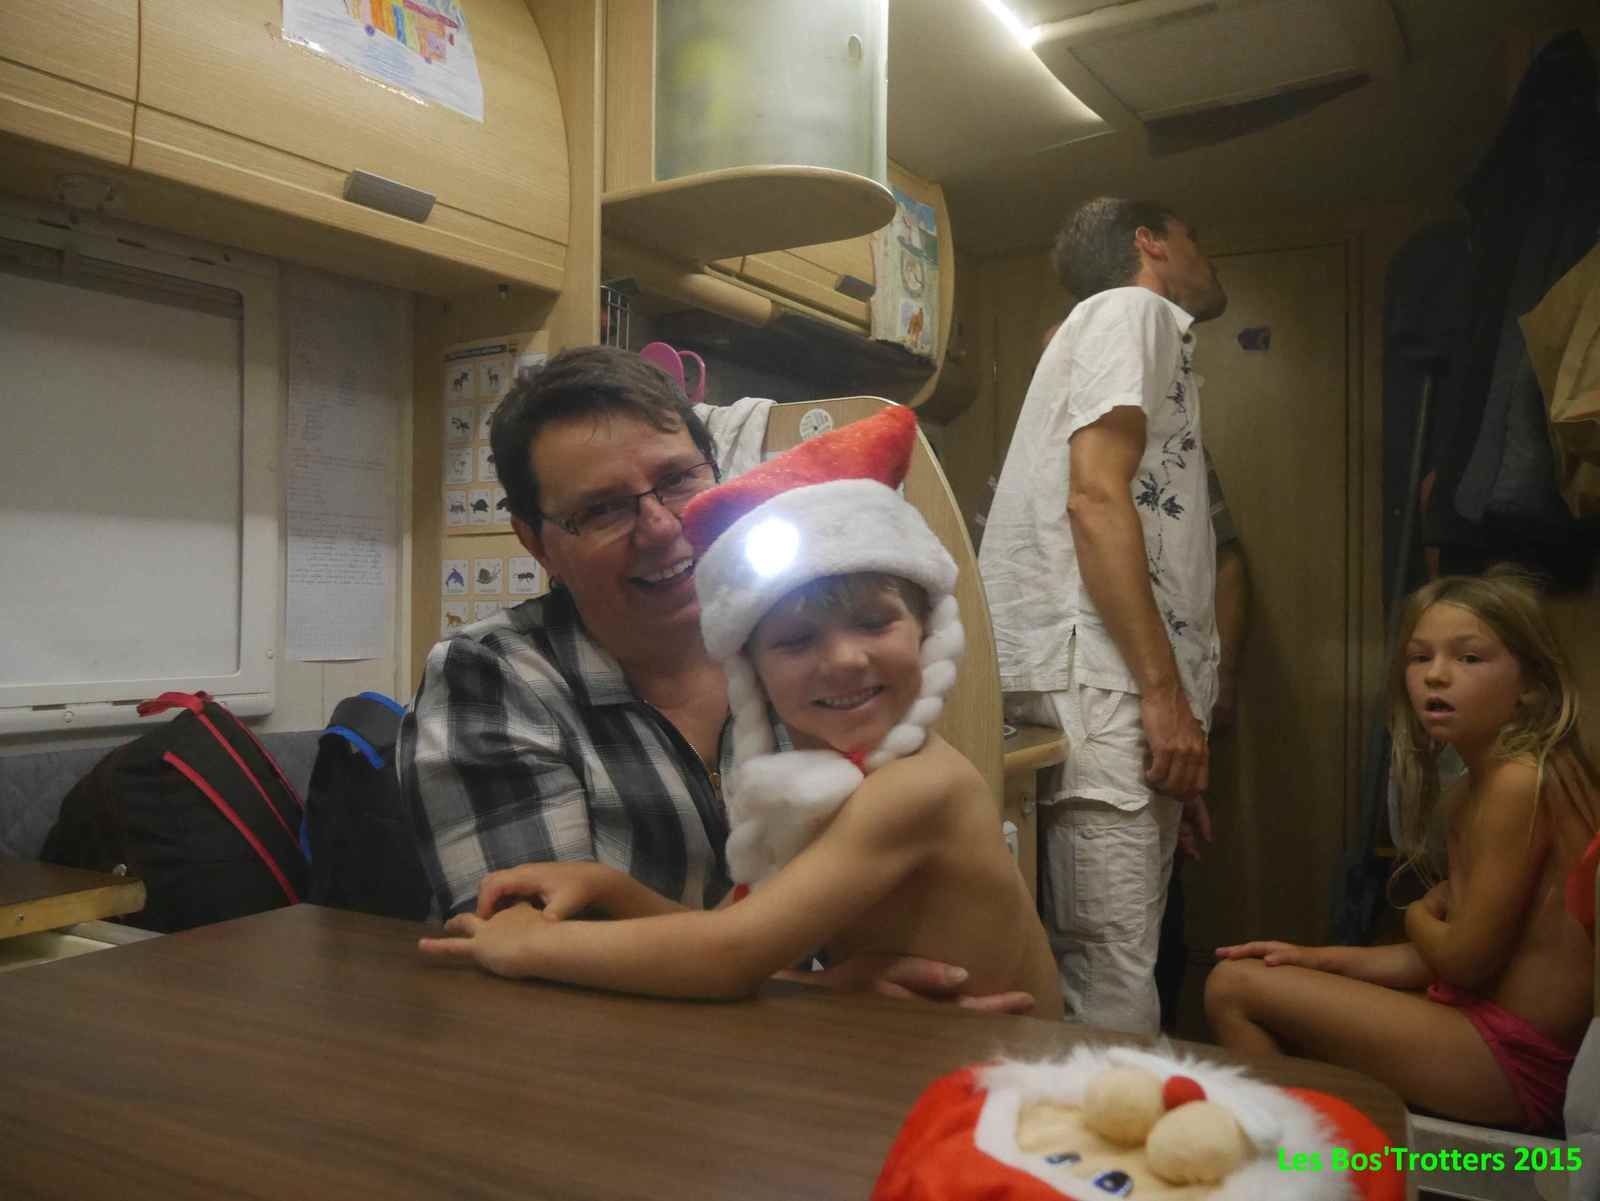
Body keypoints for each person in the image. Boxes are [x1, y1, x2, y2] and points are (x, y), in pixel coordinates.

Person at [401, 346, 1030, 1010]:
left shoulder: (844, 725)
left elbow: (728, 951)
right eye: (603, 509)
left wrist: (531, 943)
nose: (661, 526)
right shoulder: (493, 678)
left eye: (678, 480)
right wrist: (820, 996)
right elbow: (602, 978)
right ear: (536, 543)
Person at [1207, 569, 1600, 1133]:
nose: (1436, 675)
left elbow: (1462, 962)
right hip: (1493, 1036)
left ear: (1532, 684)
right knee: (1254, 976)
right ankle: (1324, 1157)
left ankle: (1299, 1167)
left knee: (1233, 989)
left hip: (1521, 1064)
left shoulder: (1519, 783)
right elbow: (1448, 956)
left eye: (1469, 658)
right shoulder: (1482, 785)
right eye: (1419, 657)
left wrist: (1417, 913)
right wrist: (1315, 959)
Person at [979, 197, 1228, 1035]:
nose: (1206, 256)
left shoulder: (1130, 329)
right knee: (1112, 984)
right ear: (1149, 242)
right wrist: (1160, 698)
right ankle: (1111, 1127)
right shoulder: (1131, 309)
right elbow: (1094, 498)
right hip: (1106, 683)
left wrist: (1180, 717)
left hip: (1115, 687)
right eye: (1194, 235)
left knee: (1120, 965)